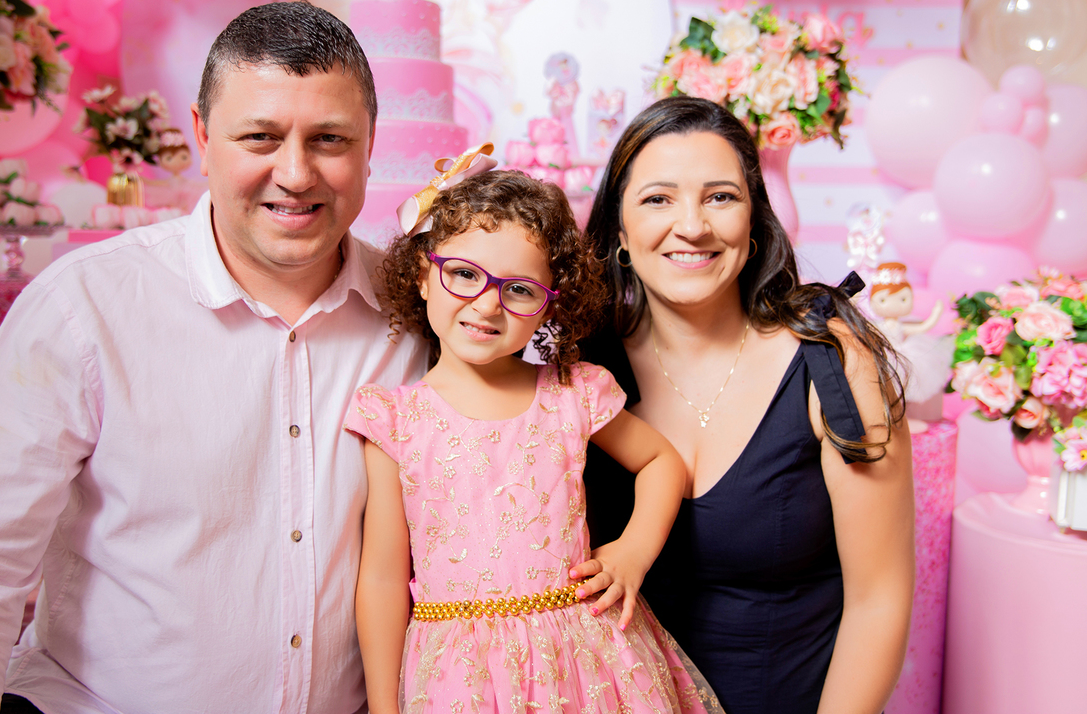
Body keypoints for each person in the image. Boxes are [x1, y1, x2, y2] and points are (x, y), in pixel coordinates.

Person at [0, 1, 427, 714]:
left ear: (369, 144)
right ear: (202, 137)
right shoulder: (84, 309)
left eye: (329, 138)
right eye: (260, 137)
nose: (295, 174)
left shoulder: (419, 316)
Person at [345, 163, 724, 713]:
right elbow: (382, 578)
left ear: (549, 304)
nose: (487, 303)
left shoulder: (574, 392)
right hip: (461, 678)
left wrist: (633, 553)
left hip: (586, 658)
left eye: (519, 289)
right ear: (424, 274)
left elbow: (660, 460)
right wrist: (384, 708)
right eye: (465, 274)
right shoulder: (395, 419)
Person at [581, 96, 915, 714]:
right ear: (620, 232)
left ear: (756, 220)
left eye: (720, 196)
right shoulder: (580, 371)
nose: (692, 226)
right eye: (658, 199)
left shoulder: (830, 357)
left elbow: (881, 601)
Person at [866, 262, 949, 432]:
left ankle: (902, 419)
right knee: (883, 389)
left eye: (903, 299)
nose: (894, 305)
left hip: (905, 356)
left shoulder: (900, 326)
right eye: (882, 299)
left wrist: (936, 314)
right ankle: (885, 419)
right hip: (884, 358)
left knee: (904, 388)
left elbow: (922, 328)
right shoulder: (877, 325)